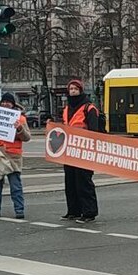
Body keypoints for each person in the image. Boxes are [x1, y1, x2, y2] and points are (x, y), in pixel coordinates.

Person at [0, 92, 31, 219]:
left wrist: (19, 129)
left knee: (15, 186)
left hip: (12, 156)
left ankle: (19, 210)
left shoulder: (20, 119)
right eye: (3, 102)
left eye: (8, 102)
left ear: (12, 104)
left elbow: (27, 137)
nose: (5, 104)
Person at [61, 79, 100, 223]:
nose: (72, 91)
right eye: (71, 89)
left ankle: (89, 212)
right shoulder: (66, 109)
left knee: (84, 182)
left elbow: (94, 131)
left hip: (84, 151)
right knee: (70, 182)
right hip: (69, 151)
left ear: (81, 91)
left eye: (75, 89)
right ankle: (73, 211)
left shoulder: (89, 109)